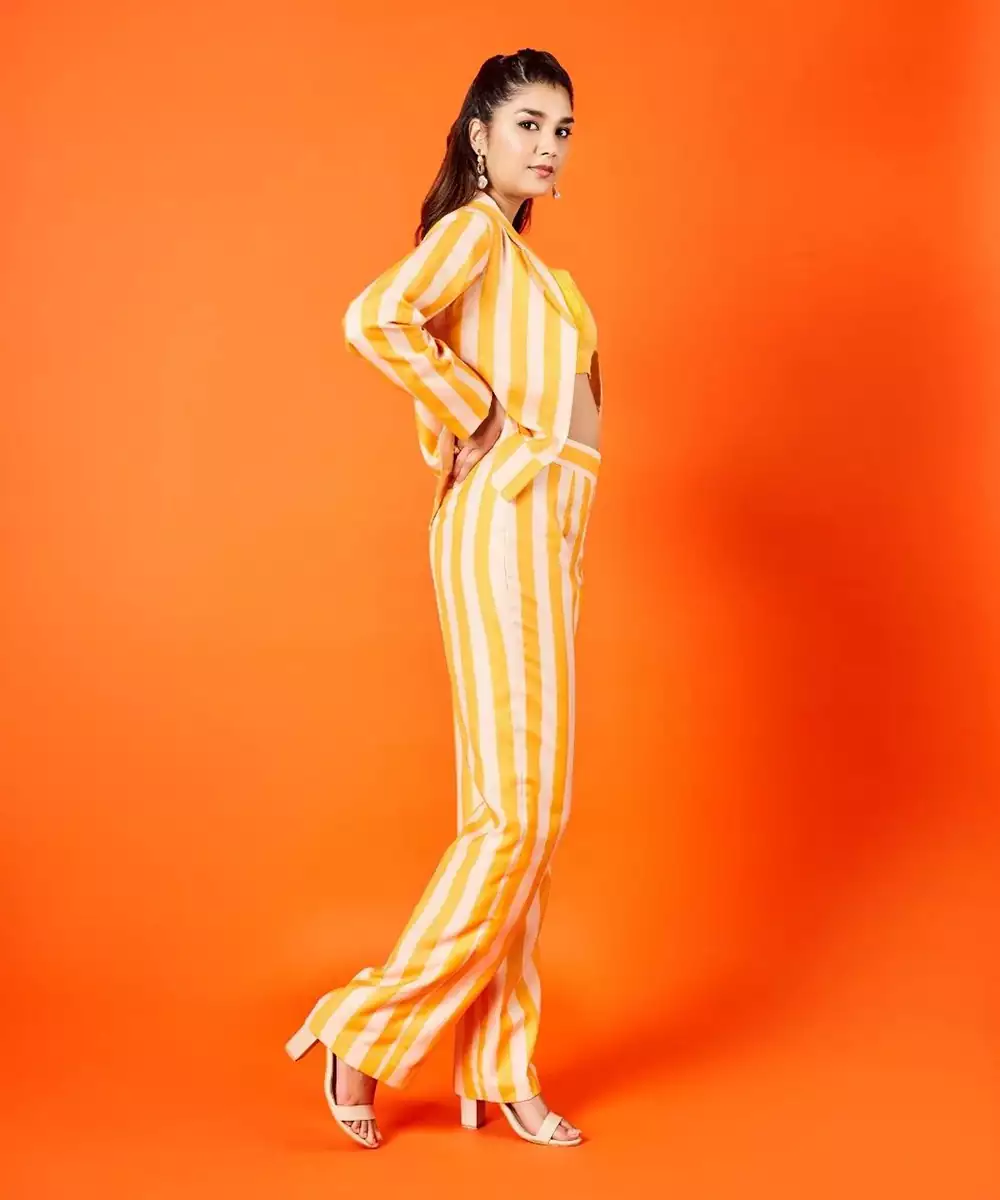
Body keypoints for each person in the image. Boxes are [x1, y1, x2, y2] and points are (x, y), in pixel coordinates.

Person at [285, 48, 603, 1150]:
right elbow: (376, 317)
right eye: (528, 124)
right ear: (480, 134)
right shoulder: (473, 231)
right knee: (520, 813)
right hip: (504, 525)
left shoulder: (533, 269)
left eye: (562, 130)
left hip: (550, 534)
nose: (548, 146)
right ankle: (365, 1030)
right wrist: (474, 413)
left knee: (529, 816)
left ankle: (500, 1065)